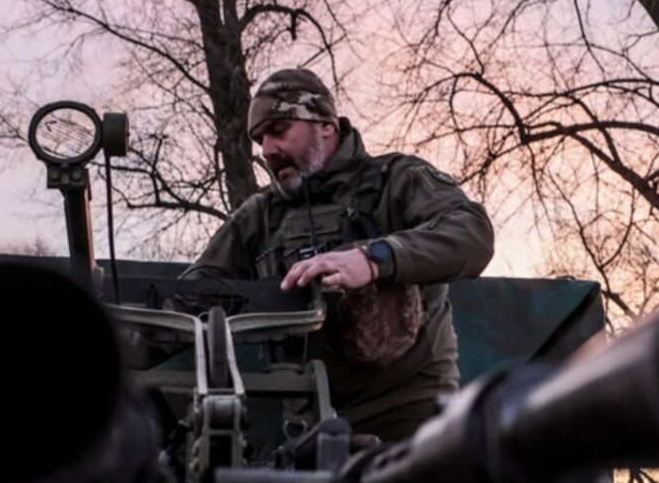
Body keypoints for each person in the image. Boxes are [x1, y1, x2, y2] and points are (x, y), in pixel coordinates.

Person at [188, 68, 494, 441]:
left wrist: (374, 258)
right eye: (260, 139)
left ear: (326, 124)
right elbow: (194, 298)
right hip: (308, 428)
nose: (267, 149)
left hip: (409, 419)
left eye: (279, 130)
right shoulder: (259, 217)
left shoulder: (395, 180)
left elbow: (471, 233)